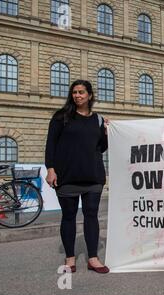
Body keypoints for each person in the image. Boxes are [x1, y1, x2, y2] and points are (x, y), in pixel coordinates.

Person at [45, 79, 110, 273]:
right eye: (74, 92)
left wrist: (106, 133)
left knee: (91, 216)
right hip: (67, 176)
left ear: (90, 95)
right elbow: (51, 144)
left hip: (93, 175)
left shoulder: (98, 119)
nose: (77, 95)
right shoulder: (61, 117)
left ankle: (93, 258)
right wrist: (50, 169)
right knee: (69, 217)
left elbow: (101, 148)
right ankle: (70, 259)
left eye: (81, 92)